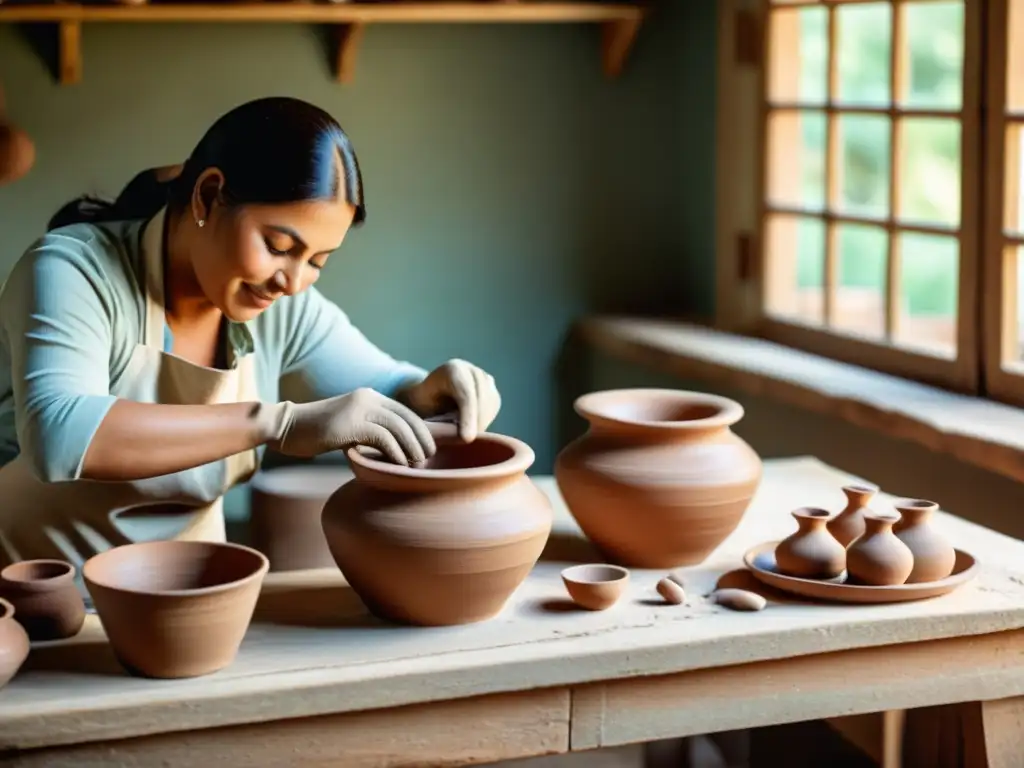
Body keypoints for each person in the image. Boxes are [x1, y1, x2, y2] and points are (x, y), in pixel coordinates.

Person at [0, 95, 501, 570]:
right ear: (209, 195)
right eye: (279, 245)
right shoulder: (71, 270)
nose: (293, 281)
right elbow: (60, 434)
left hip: (195, 601)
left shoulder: (281, 306)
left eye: (318, 262)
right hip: (35, 608)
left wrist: (434, 390)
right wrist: (277, 424)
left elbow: (387, 389)